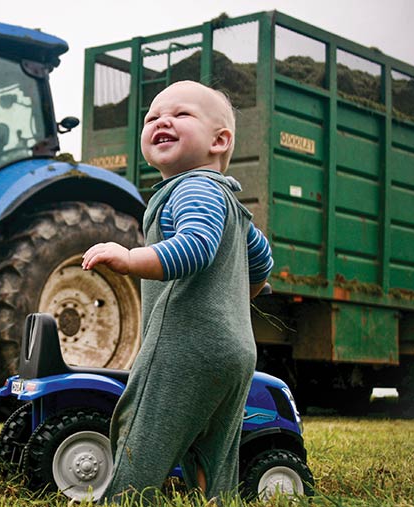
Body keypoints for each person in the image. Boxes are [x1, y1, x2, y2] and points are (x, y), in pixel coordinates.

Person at [81, 80, 273, 502]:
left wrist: (131, 259)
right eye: (152, 117)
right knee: (214, 451)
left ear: (219, 141)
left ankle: (126, 499)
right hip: (235, 351)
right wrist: (226, 308)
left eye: (181, 114)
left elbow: (196, 248)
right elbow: (261, 265)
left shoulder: (192, 187)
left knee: (142, 434)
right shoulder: (233, 206)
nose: (162, 120)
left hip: (184, 346)